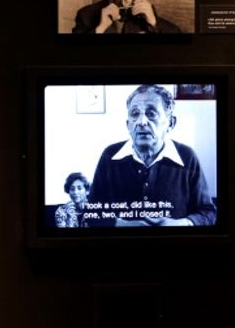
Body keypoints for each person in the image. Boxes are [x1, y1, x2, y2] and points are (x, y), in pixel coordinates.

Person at [87, 84, 217, 227]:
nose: (142, 122)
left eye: (151, 113)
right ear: (128, 125)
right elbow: (92, 214)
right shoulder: (109, 155)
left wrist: (182, 224)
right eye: (135, 114)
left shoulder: (187, 156)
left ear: (171, 123)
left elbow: (208, 213)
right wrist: (121, 225)